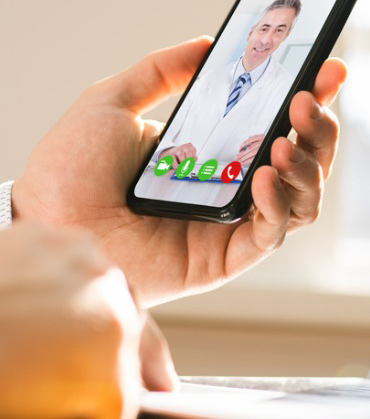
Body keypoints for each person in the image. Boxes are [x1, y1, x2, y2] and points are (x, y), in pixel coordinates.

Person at [0, 35, 346, 417]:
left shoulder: (278, 83)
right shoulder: (215, 82)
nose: (268, 37)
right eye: (264, 26)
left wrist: (30, 223)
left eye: (281, 30)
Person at [156, 0, 303, 169]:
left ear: (286, 36)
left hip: (227, 186)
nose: (266, 40)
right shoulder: (208, 78)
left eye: (279, 31)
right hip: (171, 178)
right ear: (251, 33)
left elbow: (274, 152)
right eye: (264, 29)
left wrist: (270, 146)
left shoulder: (287, 88)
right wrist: (168, 152)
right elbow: (167, 133)